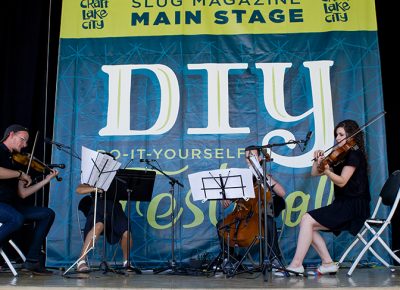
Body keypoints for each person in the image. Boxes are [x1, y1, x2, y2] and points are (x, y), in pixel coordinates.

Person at [275, 119, 370, 276]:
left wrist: (327, 171)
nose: (338, 138)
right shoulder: (340, 156)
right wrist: (317, 162)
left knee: (306, 219)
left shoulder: (354, 154)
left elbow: (342, 181)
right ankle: (327, 263)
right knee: (307, 224)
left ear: (351, 135)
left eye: (341, 134)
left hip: (354, 205)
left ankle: (296, 264)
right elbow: (314, 173)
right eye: (336, 135)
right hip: (343, 203)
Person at [0, 124, 59, 275]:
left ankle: (32, 261)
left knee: (47, 214)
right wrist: (20, 174)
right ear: (11, 135)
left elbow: (23, 194)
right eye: (23, 140)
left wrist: (46, 180)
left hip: (10, 206)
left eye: (27, 142)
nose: (25, 145)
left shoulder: (14, 160)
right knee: (16, 218)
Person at [216, 146, 286, 270]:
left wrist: (262, 174)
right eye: (247, 157)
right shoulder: (242, 178)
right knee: (221, 224)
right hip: (244, 216)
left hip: (260, 216)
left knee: (269, 222)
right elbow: (227, 201)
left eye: (252, 156)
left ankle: (273, 258)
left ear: (259, 158)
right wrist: (225, 199)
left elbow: (282, 193)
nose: (249, 159)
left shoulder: (266, 176)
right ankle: (229, 258)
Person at [75, 182, 133, 273]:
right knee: (98, 225)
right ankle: (81, 261)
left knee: (126, 230)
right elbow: (79, 189)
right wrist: (95, 189)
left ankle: (127, 262)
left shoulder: (119, 177)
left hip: (115, 207)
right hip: (98, 206)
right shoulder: (96, 176)